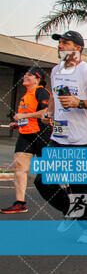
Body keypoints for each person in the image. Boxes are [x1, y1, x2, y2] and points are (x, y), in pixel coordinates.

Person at [35, 31, 87, 244]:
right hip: (59, 137)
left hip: (82, 140)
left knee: (78, 186)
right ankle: (71, 210)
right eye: (59, 43)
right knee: (42, 181)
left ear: (77, 48)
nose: (60, 46)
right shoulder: (56, 70)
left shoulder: (86, 72)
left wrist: (80, 103)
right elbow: (54, 96)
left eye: (65, 43)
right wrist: (49, 112)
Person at [1, 68, 51, 214]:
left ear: (37, 79)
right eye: (25, 74)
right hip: (26, 135)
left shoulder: (41, 92)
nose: (25, 76)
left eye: (29, 75)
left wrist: (24, 117)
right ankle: (20, 203)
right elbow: (29, 117)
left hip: (43, 134)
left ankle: (75, 189)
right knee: (19, 167)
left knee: (51, 170)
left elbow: (46, 112)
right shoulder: (26, 95)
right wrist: (18, 124)